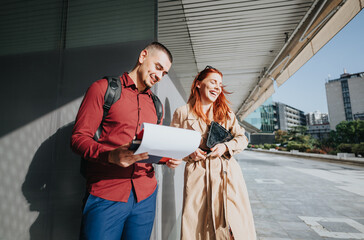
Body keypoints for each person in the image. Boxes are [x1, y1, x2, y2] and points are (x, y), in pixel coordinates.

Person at [71, 42, 182, 240]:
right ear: (143, 56)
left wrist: (167, 159)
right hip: (106, 194)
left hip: (145, 196)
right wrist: (110, 155)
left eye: (164, 73)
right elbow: (78, 139)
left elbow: (149, 148)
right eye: (158, 67)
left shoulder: (156, 106)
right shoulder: (102, 89)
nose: (159, 76)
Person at [170, 66, 256, 239]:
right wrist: (190, 152)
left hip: (228, 177)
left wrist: (225, 147)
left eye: (220, 84)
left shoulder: (226, 113)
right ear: (198, 84)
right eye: (213, 82)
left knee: (233, 229)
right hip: (198, 180)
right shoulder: (182, 113)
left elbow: (242, 139)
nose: (217, 87)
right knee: (200, 230)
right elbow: (172, 144)